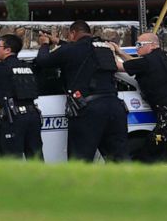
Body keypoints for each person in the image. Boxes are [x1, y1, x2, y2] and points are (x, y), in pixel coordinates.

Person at [34, 21, 128, 162]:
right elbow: (79, 49)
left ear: (73, 33)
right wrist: (58, 41)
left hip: (89, 111)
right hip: (115, 107)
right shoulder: (104, 48)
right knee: (118, 160)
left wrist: (45, 44)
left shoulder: (72, 50)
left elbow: (42, 61)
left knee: (80, 161)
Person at [110, 32, 167, 161]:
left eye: (139, 44)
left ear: (152, 45)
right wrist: (120, 52)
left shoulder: (147, 62)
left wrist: (112, 51)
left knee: (148, 153)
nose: (137, 48)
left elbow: (117, 66)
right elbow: (136, 65)